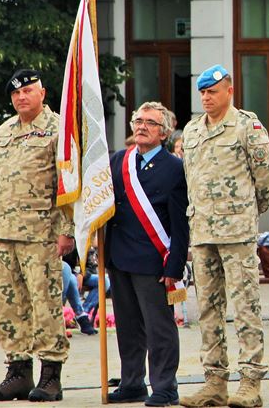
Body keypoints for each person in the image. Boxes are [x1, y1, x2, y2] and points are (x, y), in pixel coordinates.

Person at [0, 69, 74, 402]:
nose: (21, 97)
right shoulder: (5, 130)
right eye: (16, 93)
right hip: (5, 234)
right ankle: (18, 372)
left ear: (42, 93)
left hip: (42, 234)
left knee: (45, 305)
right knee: (8, 305)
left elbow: (68, 184)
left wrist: (67, 231)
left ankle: (51, 376)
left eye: (28, 91)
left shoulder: (58, 129)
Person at [180, 65, 269, 408]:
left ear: (229, 91)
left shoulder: (247, 126)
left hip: (236, 231)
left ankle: (250, 382)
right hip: (202, 232)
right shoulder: (191, 130)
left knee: (246, 306)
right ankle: (215, 382)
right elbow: (190, 178)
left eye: (213, 91)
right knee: (207, 308)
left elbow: (264, 177)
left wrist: (248, 211)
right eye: (203, 92)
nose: (206, 97)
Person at [104, 101, 188, 406]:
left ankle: (165, 387)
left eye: (150, 123)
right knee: (128, 327)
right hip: (119, 256)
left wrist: (175, 265)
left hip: (154, 260)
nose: (142, 126)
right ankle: (132, 383)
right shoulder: (119, 160)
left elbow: (180, 223)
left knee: (159, 328)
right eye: (138, 121)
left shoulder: (174, 168)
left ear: (164, 133)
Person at [60, 251, 97, 335]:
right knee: (69, 274)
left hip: (79, 274)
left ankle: (84, 312)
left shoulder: (80, 244)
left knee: (105, 282)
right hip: (62, 272)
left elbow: (91, 266)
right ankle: (81, 315)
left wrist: (81, 274)